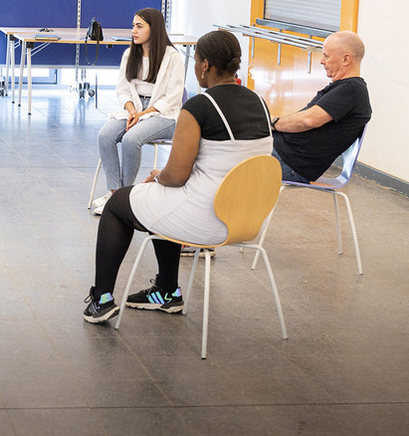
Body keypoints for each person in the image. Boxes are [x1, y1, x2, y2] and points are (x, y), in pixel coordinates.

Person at [83, 30, 273, 324]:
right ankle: (166, 292)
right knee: (159, 198)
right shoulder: (259, 103)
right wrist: (165, 178)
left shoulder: (199, 106)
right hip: (246, 219)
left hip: (206, 219)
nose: (194, 67)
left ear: (205, 65)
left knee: (119, 202)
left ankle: (101, 299)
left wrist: (160, 175)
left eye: (196, 61)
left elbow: (176, 177)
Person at [92, 8, 186, 215]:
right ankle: (115, 193)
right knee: (105, 135)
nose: (133, 31)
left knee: (130, 139)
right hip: (135, 109)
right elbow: (123, 89)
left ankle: (125, 196)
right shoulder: (129, 54)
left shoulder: (172, 57)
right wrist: (132, 110)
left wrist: (143, 114)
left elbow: (173, 96)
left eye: (139, 26)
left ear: (155, 29)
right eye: (133, 26)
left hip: (164, 114)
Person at [271, 31, 371, 183]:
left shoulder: (352, 90)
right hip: (281, 152)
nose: (321, 61)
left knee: (227, 155)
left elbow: (309, 120)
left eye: (326, 56)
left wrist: (274, 124)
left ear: (346, 59)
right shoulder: (343, 88)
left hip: (289, 163)